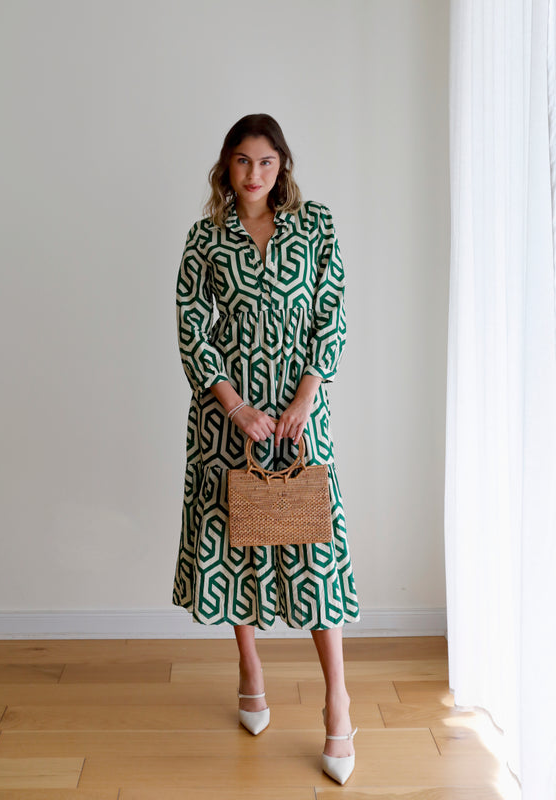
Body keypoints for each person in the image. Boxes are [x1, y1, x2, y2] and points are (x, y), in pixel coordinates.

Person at [172, 113, 360, 785]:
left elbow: (330, 314)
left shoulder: (317, 226)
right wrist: (235, 405)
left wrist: (305, 397)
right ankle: (250, 668)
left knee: (314, 548)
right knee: (236, 539)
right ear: (226, 164)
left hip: (301, 415)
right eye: (243, 161)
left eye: (268, 162)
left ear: (283, 167)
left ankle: (338, 700)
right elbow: (194, 324)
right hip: (232, 416)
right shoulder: (206, 238)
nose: (255, 174)